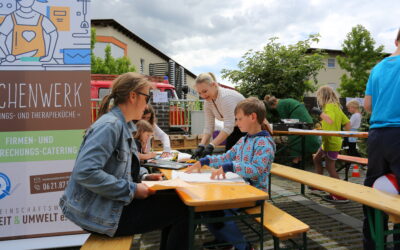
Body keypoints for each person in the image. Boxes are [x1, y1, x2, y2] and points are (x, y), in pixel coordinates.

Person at [59, 72, 189, 250]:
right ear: (133, 96)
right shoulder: (110, 126)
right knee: (183, 210)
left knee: (176, 199)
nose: (147, 104)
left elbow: (126, 167)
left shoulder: (124, 125)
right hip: (98, 212)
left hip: (108, 205)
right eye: (147, 97)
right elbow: (85, 172)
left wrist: (144, 177)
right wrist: (133, 189)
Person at [186, 97, 276, 250]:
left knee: (217, 211)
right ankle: (226, 241)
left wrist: (231, 166)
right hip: (238, 189)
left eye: (239, 119)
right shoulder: (243, 140)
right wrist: (205, 161)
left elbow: (256, 170)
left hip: (255, 192)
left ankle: (243, 247)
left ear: (253, 117)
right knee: (205, 209)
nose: (236, 123)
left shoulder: (265, 143)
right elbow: (226, 157)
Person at [363, 29, 400, 250]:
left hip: (377, 136)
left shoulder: (378, 68)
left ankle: (372, 245)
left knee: (374, 192)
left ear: (396, 41)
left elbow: (367, 105)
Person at [191, 72, 246, 159]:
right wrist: (201, 145)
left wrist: (211, 145)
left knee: (242, 160)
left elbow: (228, 127)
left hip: (249, 129)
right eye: (199, 93)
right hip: (235, 128)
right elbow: (209, 126)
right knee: (229, 160)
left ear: (213, 85)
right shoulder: (208, 102)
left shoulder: (225, 97)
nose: (203, 96)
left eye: (205, 91)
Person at [311, 85, 351, 203]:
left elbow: (329, 120)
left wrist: (319, 112)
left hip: (332, 142)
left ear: (323, 96)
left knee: (330, 166)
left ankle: (339, 195)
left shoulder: (330, 106)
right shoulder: (337, 107)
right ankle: (319, 184)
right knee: (317, 159)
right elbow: (347, 123)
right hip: (328, 141)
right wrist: (346, 135)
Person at [264, 95, 320, 167]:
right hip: (305, 118)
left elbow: (284, 121)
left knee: (294, 138)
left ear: (272, 105)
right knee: (301, 138)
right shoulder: (284, 101)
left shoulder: (280, 105)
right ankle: (299, 161)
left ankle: (296, 162)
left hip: (299, 118)